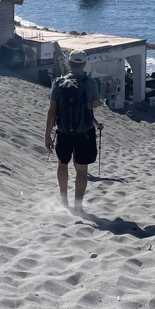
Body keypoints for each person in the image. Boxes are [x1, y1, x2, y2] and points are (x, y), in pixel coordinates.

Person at [44, 49, 104, 214]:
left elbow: (52, 111)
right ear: (84, 64)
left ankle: (64, 200)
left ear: (69, 64)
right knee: (82, 170)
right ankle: (78, 205)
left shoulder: (58, 82)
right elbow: (95, 105)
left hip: (63, 132)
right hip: (84, 132)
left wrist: (47, 135)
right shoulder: (90, 83)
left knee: (62, 165)